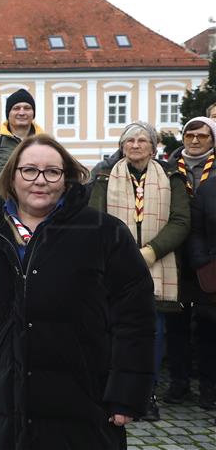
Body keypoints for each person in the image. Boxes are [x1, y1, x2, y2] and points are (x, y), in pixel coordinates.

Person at [0, 134, 155, 450]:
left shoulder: (104, 232)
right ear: (12, 175)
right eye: (29, 170)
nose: (40, 181)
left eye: (52, 172)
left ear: (66, 178)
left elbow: (135, 317)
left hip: (82, 399)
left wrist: (127, 389)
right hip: (4, 400)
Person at [88, 121, 190, 421]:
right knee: (112, 329)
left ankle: (148, 393)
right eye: (129, 140)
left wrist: (151, 251)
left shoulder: (171, 177)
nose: (135, 145)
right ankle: (115, 389)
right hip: (114, 265)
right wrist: (119, 252)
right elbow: (95, 219)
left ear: (154, 145)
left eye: (142, 140)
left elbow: (181, 220)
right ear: (122, 146)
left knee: (152, 332)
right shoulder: (106, 176)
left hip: (156, 263)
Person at [164, 117, 216, 408]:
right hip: (176, 256)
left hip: (209, 258)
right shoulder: (170, 168)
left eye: (202, 136)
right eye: (189, 135)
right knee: (176, 322)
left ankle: (208, 386)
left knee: (209, 325)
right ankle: (178, 382)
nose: (195, 141)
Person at [188, 139, 216, 414]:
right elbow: (195, 230)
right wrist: (201, 261)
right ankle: (208, 389)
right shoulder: (207, 190)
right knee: (209, 335)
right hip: (212, 272)